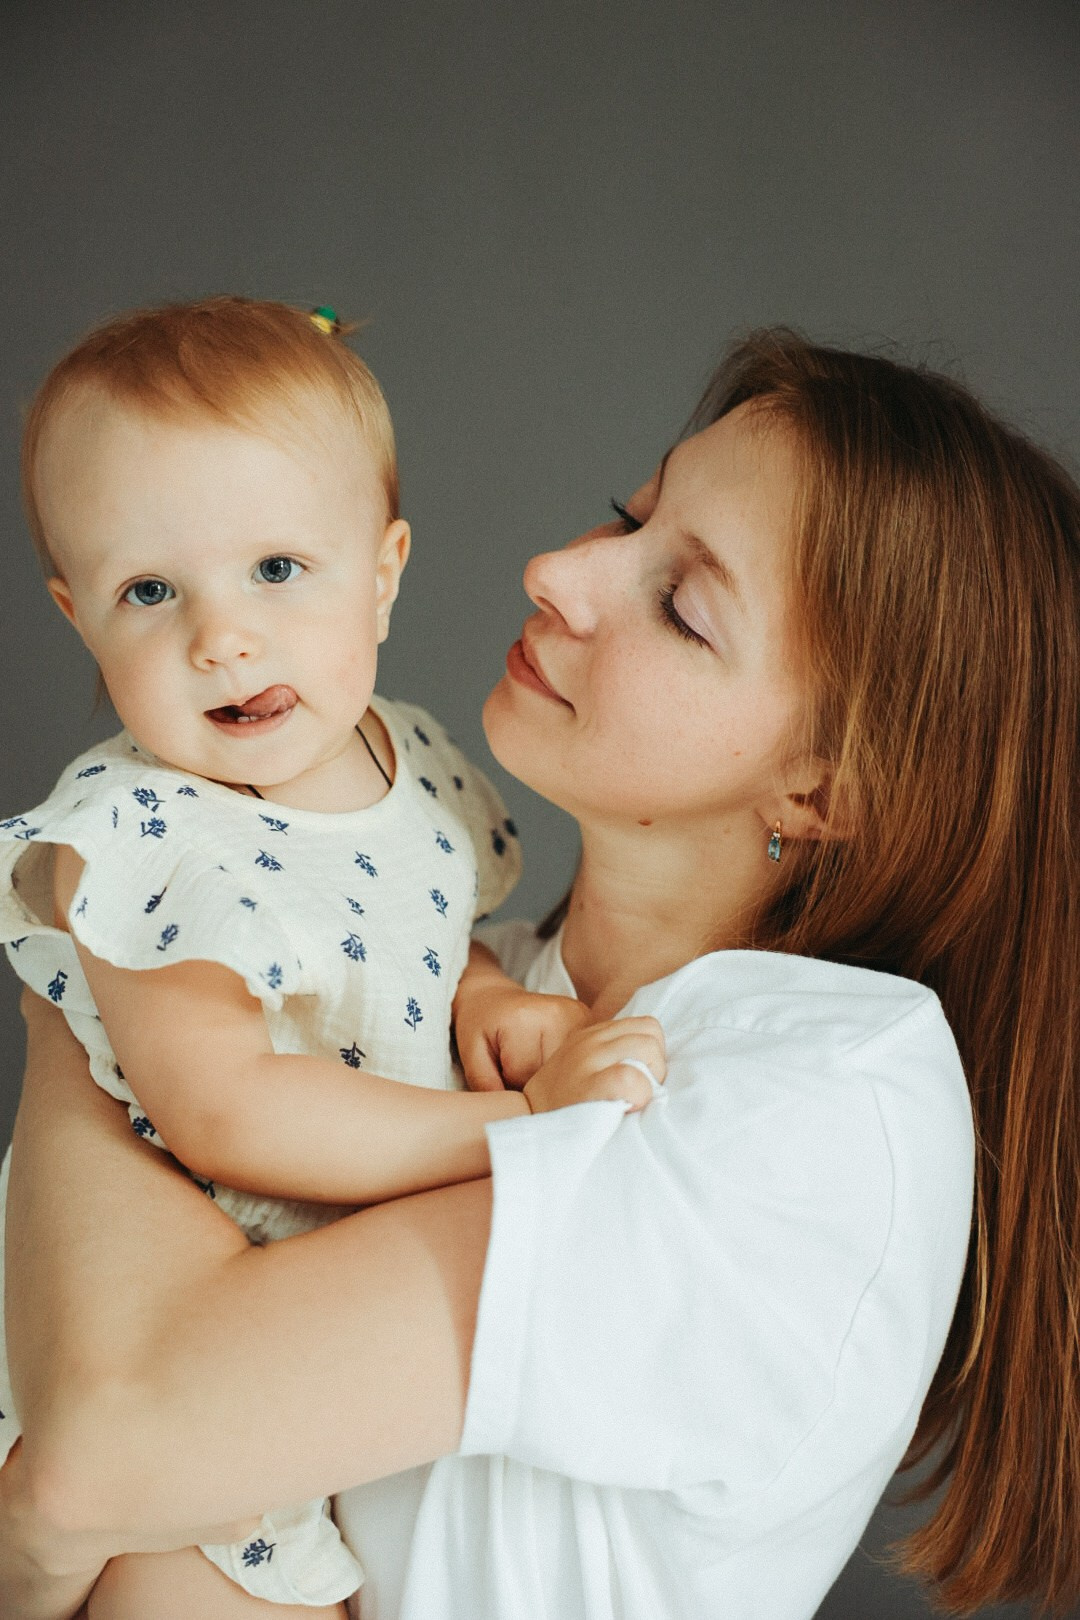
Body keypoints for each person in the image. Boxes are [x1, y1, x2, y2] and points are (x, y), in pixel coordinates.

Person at [2, 327, 1078, 1620]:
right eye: (627, 514)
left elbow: (97, 1455)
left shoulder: (822, 1097)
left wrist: (94, 943)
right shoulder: (455, 996)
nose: (557, 572)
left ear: (823, 787)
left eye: (682, 606)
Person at [0, 297, 662, 1618]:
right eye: (149, 592)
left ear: (384, 569)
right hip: (164, 1344)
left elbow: (419, 934)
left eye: (278, 569)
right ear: (78, 615)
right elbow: (224, 1109)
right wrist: (518, 1123)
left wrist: (482, 992)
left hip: (296, 1352)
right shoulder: (141, 833)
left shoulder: (411, 761)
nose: (221, 638)